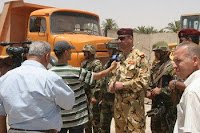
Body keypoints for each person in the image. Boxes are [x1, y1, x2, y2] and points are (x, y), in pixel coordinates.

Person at [0, 41, 75, 133]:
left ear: (28, 55)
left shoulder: (5, 78)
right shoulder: (50, 78)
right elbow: (69, 103)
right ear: (47, 57)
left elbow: (1, 113)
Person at [49, 41, 116, 133]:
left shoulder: (49, 73)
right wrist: (111, 68)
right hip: (77, 118)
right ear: (65, 53)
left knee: (94, 118)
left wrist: (95, 95)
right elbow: (99, 76)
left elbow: (97, 82)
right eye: (70, 50)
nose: (71, 52)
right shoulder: (76, 71)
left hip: (60, 118)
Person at [108, 28, 150, 133]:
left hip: (133, 109)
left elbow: (144, 81)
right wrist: (111, 84)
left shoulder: (140, 57)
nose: (119, 41)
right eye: (118, 39)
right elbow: (113, 75)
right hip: (119, 108)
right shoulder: (119, 58)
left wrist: (123, 85)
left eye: (122, 39)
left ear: (130, 39)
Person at [146, 41, 176, 133]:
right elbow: (150, 82)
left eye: (157, 52)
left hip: (167, 108)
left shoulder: (172, 67)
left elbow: (175, 88)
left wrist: (161, 91)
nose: (155, 54)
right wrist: (148, 91)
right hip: (156, 106)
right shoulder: (156, 67)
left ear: (164, 52)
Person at [172, 42, 200, 133]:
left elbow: (191, 130)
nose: (174, 66)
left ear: (195, 60)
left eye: (178, 61)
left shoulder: (191, 91)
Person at [169, 29, 200, 96]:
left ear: (189, 40)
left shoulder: (196, 57)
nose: (180, 44)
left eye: (181, 41)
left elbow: (196, 86)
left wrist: (176, 83)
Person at [81, 44, 102, 133]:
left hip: (93, 93)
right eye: (84, 52)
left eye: (87, 52)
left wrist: (95, 96)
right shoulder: (84, 63)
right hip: (85, 94)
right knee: (86, 119)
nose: (85, 54)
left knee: (95, 118)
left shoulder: (96, 64)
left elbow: (99, 81)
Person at [99, 39, 119, 133]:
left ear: (115, 49)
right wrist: (101, 97)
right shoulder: (108, 63)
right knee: (103, 126)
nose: (108, 51)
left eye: (110, 49)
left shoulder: (120, 63)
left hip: (116, 99)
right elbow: (103, 81)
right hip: (106, 100)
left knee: (119, 126)